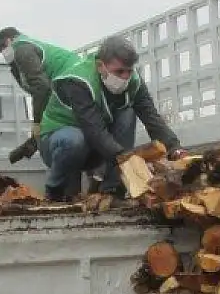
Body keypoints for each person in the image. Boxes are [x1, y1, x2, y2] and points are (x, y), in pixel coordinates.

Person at [38, 35, 180, 201]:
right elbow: (93, 129)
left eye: (129, 71)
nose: (125, 77)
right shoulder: (78, 81)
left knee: (128, 111)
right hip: (58, 145)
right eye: (119, 71)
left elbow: (151, 117)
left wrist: (175, 148)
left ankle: (113, 188)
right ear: (100, 66)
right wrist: (127, 159)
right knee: (75, 140)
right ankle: (54, 189)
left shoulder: (134, 83)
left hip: (95, 148)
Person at [0, 27, 80, 163]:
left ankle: (35, 143)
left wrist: (37, 124)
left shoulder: (22, 49)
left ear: (10, 40)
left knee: (54, 135)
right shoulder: (24, 52)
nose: (3, 53)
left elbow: (42, 89)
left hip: (73, 86)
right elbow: (36, 89)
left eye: (3, 48)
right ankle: (33, 143)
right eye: (0, 51)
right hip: (69, 88)